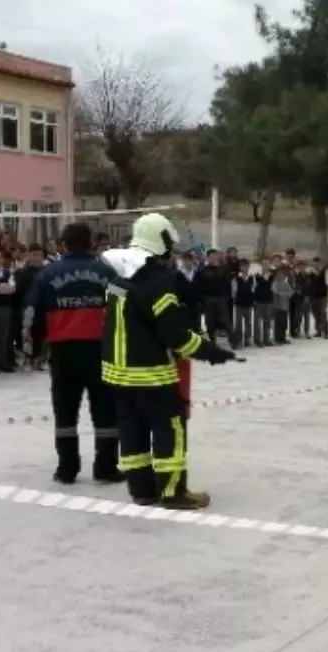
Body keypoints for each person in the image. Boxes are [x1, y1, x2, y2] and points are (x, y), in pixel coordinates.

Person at [100, 213, 237, 510]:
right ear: (161, 242)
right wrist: (210, 351)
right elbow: (175, 334)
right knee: (168, 429)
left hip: (117, 374)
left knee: (132, 430)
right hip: (151, 375)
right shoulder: (158, 281)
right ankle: (174, 492)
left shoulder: (119, 275)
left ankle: (142, 490)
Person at [24, 223, 123, 486]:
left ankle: (66, 469)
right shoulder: (107, 271)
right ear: (90, 242)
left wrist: (33, 347)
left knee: (65, 411)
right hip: (101, 349)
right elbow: (124, 306)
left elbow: (32, 313)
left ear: (64, 244)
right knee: (105, 410)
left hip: (63, 350)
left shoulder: (47, 273)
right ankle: (105, 467)